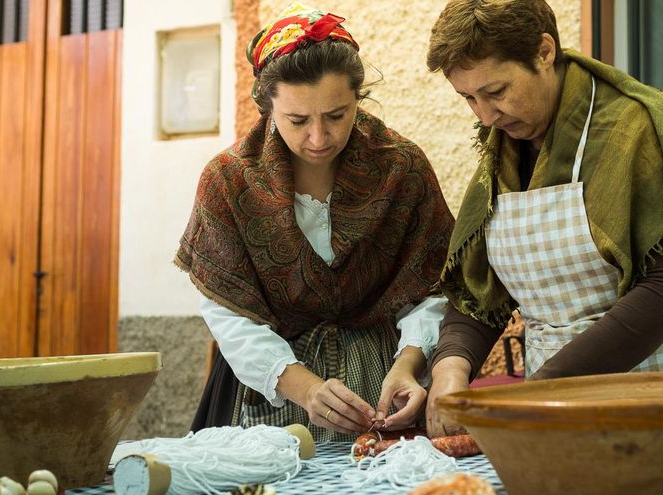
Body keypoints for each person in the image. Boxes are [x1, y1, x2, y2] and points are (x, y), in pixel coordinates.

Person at [422, 0, 663, 445]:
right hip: (557, 389)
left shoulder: (637, 127)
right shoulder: (503, 149)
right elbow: (482, 293)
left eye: (496, 91)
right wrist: (452, 364)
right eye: (468, 98)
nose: (485, 116)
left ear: (544, 52)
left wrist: (550, 383)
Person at [175, 2, 454, 442]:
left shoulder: (402, 168)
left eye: (337, 115)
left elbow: (432, 287)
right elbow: (227, 313)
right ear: (267, 106)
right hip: (269, 394)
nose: (319, 138)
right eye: (298, 120)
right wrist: (302, 387)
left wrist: (410, 363)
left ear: (358, 98)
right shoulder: (228, 181)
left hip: (383, 387)